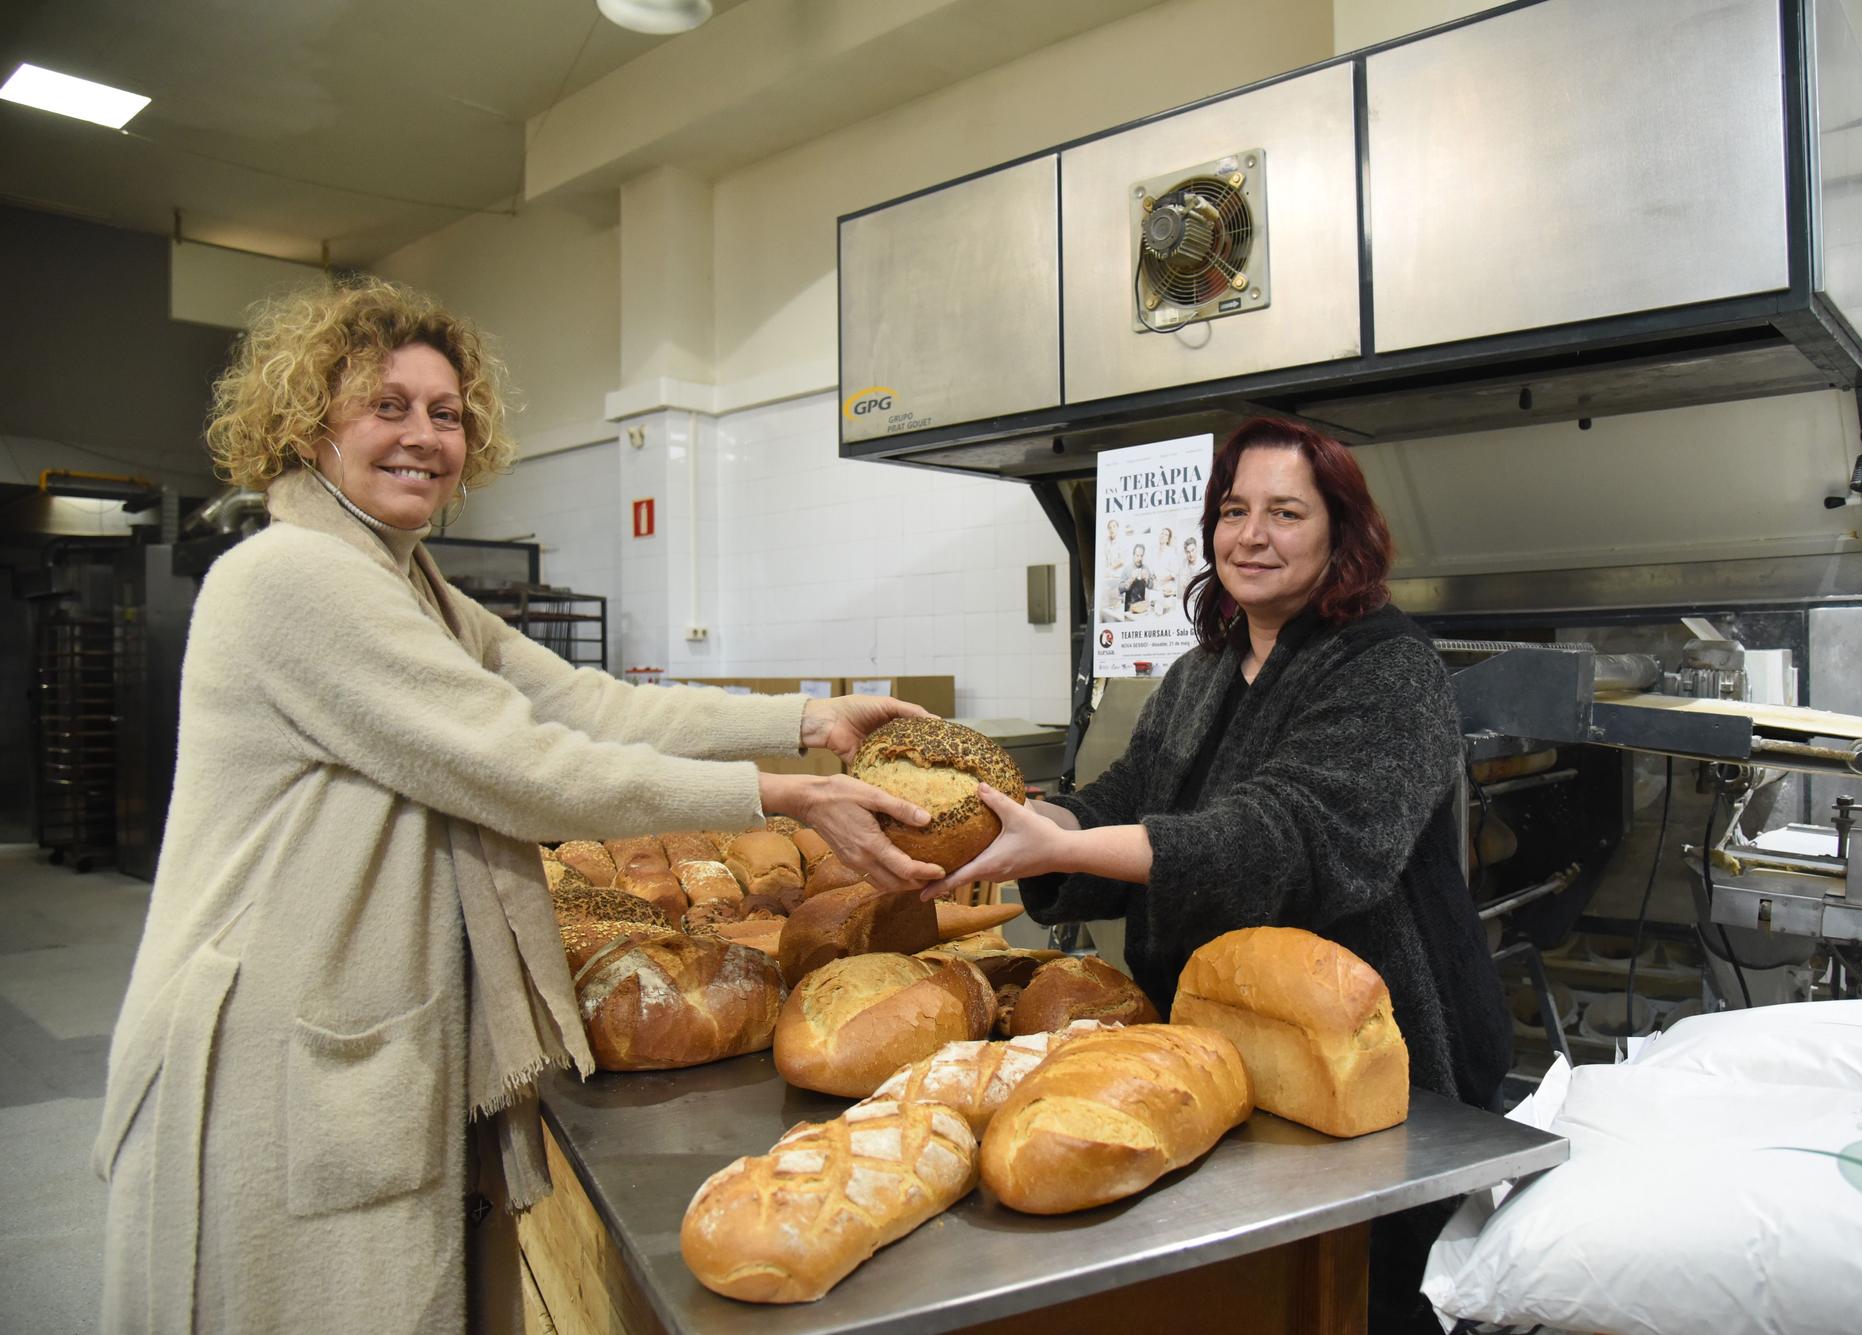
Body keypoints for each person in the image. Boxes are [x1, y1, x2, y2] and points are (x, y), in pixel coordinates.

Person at [94, 277, 941, 1334]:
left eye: (445, 414)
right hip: (273, 1047)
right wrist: (775, 796)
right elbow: (523, 765)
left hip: (331, 1024)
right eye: (386, 406)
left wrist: (805, 722)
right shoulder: (293, 577)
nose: (423, 437)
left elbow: (590, 704)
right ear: (311, 425)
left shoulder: (411, 584)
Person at [931, 416, 1510, 1333]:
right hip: (1227, 1047)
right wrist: (1018, 820)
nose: (1251, 534)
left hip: (1379, 1055)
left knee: (1368, 1296)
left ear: (1340, 534)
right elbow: (1130, 789)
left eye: (1286, 511)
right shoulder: (1206, 668)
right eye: (1234, 509)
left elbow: (1284, 838)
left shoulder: (1391, 670)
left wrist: (1064, 848)